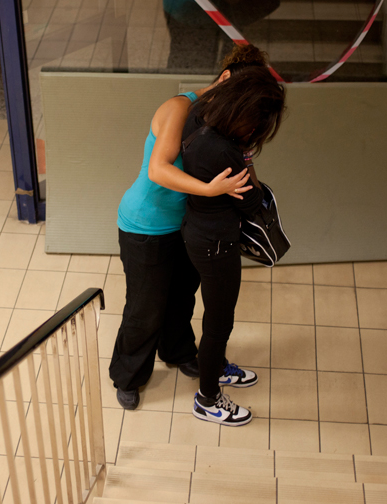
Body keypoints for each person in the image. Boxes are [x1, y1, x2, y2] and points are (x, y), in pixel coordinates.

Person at [110, 46, 270, 410]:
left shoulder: (221, 119)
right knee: (144, 307)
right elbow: (159, 169)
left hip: (185, 226)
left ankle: (178, 352)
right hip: (146, 225)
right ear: (225, 78)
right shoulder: (179, 108)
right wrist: (211, 190)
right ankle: (128, 375)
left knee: (182, 296)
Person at [181, 65, 286, 426]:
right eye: (257, 125)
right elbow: (251, 204)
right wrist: (247, 158)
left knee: (215, 317)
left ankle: (218, 368)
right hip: (216, 244)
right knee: (218, 322)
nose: (257, 133)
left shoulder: (199, 114)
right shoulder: (224, 150)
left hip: (196, 227)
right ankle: (208, 398)